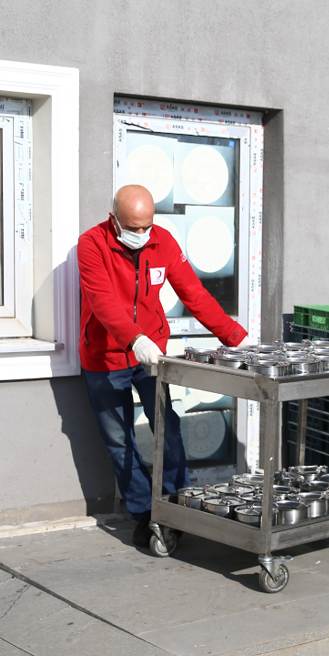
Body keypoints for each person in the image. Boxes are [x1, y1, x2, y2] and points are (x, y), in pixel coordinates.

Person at [78, 184, 248, 546]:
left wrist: (236, 338)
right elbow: (102, 301)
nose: (141, 234)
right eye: (133, 227)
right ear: (114, 220)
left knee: (167, 429)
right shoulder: (91, 245)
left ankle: (176, 501)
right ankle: (144, 512)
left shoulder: (163, 242)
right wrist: (133, 339)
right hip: (105, 358)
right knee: (119, 440)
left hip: (151, 356)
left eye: (147, 226)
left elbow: (194, 294)